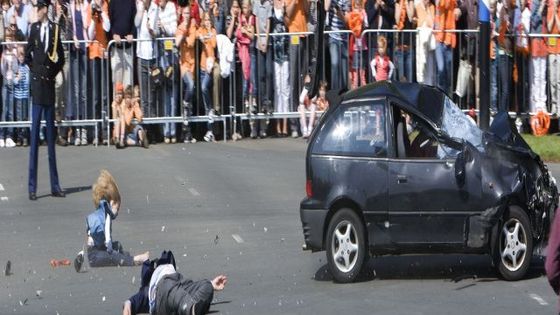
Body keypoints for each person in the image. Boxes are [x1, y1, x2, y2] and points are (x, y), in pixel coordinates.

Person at [25, 0, 65, 201]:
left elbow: (62, 59)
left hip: (48, 88)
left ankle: (55, 185)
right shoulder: (33, 29)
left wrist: (50, 73)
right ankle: (32, 187)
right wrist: (36, 72)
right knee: (34, 141)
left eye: (38, 9)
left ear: (44, 10)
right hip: (37, 88)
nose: (36, 12)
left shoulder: (55, 30)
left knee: (50, 141)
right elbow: (27, 55)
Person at [74, 170, 149, 271]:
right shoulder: (106, 216)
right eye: (117, 208)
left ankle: (124, 257)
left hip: (94, 250)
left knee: (117, 246)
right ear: (112, 203)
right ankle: (134, 260)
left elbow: (88, 236)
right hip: (96, 257)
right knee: (113, 255)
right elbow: (108, 240)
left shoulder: (98, 214)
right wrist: (111, 251)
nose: (117, 212)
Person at [122, 250, 227, 315]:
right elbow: (129, 304)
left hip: (178, 286)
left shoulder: (175, 279)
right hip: (163, 297)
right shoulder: (147, 291)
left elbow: (188, 287)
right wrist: (128, 305)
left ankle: (190, 307)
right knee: (170, 288)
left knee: (206, 285)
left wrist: (211, 284)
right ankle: (190, 309)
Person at [86, 0, 110, 145]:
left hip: (104, 53)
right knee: (96, 97)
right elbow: (89, 35)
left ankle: (105, 132)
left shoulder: (105, 5)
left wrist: (102, 11)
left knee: (105, 96)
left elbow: (107, 27)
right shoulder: (90, 7)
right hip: (94, 54)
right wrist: (94, 19)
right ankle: (96, 132)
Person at [156, 0, 178, 144]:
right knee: (165, 92)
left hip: (171, 53)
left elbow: (173, 30)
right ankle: (166, 131)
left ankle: (173, 130)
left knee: (173, 93)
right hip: (161, 53)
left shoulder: (171, 7)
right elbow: (154, 31)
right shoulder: (156, 8)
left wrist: (163, 26)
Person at [175, 4, 197, 143]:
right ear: (183, 14)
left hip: (192, 63)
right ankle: (185, 103)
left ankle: (187, 132)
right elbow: (177, 43)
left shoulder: (193, 26)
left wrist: (186, 35)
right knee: (191, 85)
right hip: (183, 64)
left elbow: (191, 42)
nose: (188, 15)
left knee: (191, 97)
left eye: (189, 13)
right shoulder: (181, 27)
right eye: (185, 13)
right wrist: (183, 32)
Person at [285, 0, 307, 138]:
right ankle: (293, 123)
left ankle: (303, 122)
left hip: (304, 34)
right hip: (294, 35)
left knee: (303, 79)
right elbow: (288, 13)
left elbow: (307, 10)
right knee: (293, 79)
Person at [69, 0, 90, 146]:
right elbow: (69, 27)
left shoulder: (86, 6)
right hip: (74, 50)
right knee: (76, 92)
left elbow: (88, 27)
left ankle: (84, 130)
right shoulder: (70, 6)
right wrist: (73, 37)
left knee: (83, 93)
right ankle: (77, 129)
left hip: (84, 49)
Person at [199, 11, 218, 142]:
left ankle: (211, 109)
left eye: (209, 20)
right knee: (204, 99)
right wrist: (202, 36)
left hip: (210, 66)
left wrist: (209, 36)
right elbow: (197, 34)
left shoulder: (213, 31)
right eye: (205, 20)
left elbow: (214, 44)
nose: (207, 22)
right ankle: (209, 129)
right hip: (202, 65)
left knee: (204, 87)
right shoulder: (202, 30)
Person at [271, 0, 289, 137]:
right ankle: (277, 125)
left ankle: (285, 125)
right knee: (277, 88)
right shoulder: (271, 6)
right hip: (275, 53)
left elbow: (288, 24)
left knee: (285, 88)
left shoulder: (285, 5)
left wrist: (284, 12)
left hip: (285, 51)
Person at [109, 0, 136, 93]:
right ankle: (117, 107)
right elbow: (109, 22)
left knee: (128, 82)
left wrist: (132, 34)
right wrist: (113, 34)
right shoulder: (112, 2)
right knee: (117, 81)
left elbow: (134, 22)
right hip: (116, 48)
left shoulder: (131, 2)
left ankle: (128, 107)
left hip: (128, 47)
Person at [434, 0, 458, 95]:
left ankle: (447, 98)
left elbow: (458, 6)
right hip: (439, 39)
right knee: (441, 69)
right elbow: (442, 5)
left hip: (449, 39)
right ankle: (440, 96)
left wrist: (458, 9)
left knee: (448, 73)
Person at [0, 25, 18, 148]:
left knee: (11, 110)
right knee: (4, 109)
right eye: (6, 38)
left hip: (13, 82)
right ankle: (1, 135)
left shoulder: (14, 52)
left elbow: (16, 68)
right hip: (5, 82)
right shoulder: (3, 53)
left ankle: (10, 135)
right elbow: (2, 69)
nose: (8, 41)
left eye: (10, 38)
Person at [530, 0, 547, 113]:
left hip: (544, 41)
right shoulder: (536, 2)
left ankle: (543, 102)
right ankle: (536, 104)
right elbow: (534, 21)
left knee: (543, 75)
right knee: (536, 75)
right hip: (536, 40)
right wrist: (541, 7)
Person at [347, 0, 368, 89]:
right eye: (355, 6)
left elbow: (366, 24)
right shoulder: (351, 14)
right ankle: (355, 86)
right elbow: (350, 25)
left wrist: (362, 18)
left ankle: (363, 86)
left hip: (362, 45)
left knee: (362, 68)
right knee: (355, 67)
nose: (357, 8)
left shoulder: (363, 13)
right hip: (355, 46)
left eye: (358, 6)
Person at [415, 0, 436, 86]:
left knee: (430, 67)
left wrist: (427, 9)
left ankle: (430, 86)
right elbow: (418, 23)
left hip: (430, 42)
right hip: (421, 41)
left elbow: (431, 24)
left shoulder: (432, 7)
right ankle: (421, 85)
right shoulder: (417, 6)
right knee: (421, 64)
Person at [394, 0, 414, 82]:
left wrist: (406, 4)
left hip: (409, 45)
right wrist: (401, 4)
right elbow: (397, 20)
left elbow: (410, 17)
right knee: (401, 76)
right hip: (400, 46)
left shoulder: (410, 2)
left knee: (409, 76)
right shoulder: (398, 3)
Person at [14, 45, 30, 147]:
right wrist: (17, 79)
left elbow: (29, 81)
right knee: (18, 116)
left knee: (25, 116)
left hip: (25, 95)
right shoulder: (16, 67)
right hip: (18, 95)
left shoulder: (26, 67)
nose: (21, 57)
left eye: (22, 55)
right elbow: (14, 81)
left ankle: (25, 137)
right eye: (19, 55)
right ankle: (19, 136)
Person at [548, 0, 560, 115]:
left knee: (559, 80)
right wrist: (553, 11)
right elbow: (549, 26)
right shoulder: (550, 8)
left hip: (559, 50)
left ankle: (559, 106)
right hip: (551, 48)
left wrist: (556, 13)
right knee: (552, 80)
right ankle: (554, 104)